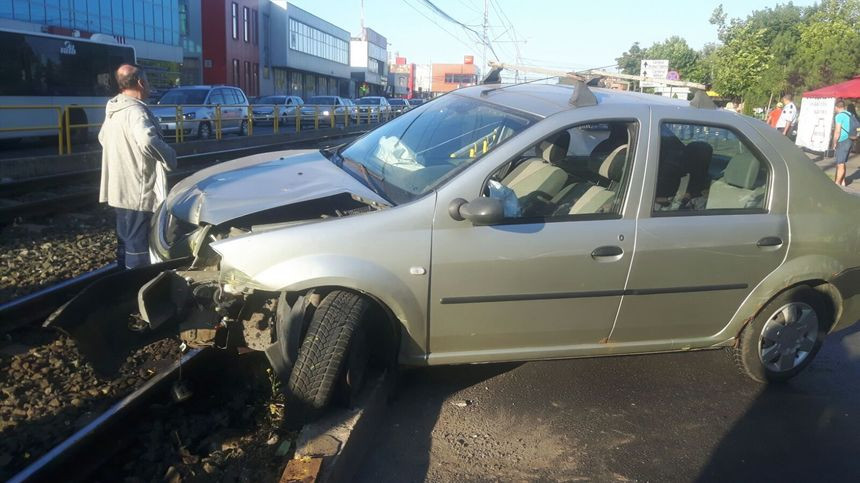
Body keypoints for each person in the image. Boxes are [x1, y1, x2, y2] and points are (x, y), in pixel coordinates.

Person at [98, 64, 177, 268]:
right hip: (138, 190)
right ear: (141, 83)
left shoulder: (113, 109)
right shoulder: (136, 111)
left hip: (118, 187)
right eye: (148, 81)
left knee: (125, 242)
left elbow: (102, 138)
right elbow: (147, 140)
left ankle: (123, 281)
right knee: (138, 246)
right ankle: (137, 287)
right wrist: (169, 157)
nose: (149, 86)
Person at [831, 100, 854, 187]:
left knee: (840, 163)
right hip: (850, 139)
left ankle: (837, 184)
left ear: (837, 107)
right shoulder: (850, 114)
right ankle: (843, 182)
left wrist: (834, 142)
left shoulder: (839, 116)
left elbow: (837, 131)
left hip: (843, 140)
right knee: (843, 161)